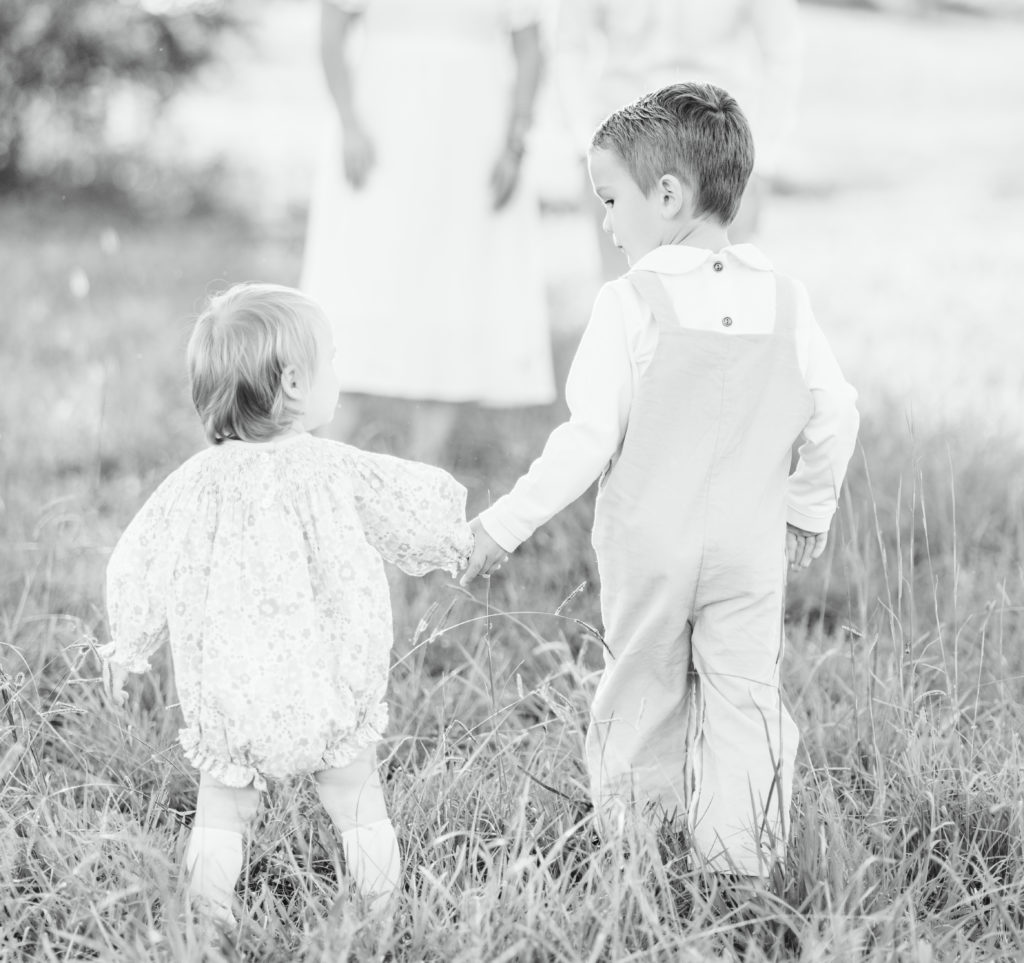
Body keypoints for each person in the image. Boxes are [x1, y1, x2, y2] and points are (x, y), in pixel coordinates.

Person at [462, 83, 859, 875]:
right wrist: (807, 508)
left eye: (611, 201)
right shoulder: (782, 298)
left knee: (642, 687)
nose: (607, 225)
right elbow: (837, 411)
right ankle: (739, 857)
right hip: (751, 547)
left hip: (650, 545)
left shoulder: (630, 303)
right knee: (744, 695)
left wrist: (501, 524)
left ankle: (639, 848)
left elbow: (585, 440)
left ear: (668, 195)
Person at [99, 283, 473, 925]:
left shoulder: (193, 483)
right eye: (332, 359)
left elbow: (140, 558)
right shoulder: (332, 467)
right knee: (355, 795)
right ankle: (383, 912)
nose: (338, 373)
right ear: (296, 383)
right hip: (329, 685)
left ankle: (210, 916)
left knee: (223, 803)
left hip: (233, 694)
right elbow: (404, 506)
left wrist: (127, 644)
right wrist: (458, 540)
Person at [300, 0, 556, 464]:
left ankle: (426, 465)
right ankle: (326, 452)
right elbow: (331, 30)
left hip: (472, 135)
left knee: (454, 272)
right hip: (382, 123)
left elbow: (531, 47)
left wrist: (516, 142)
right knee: (362, 268)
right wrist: (349, 123)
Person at [555, 0, 803, 280]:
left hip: (716, 148)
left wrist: (762, 165)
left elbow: (782, 54)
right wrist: (581, 147)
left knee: (720, 292)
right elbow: (569, 45)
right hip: (625, 149)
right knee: (623, 291)